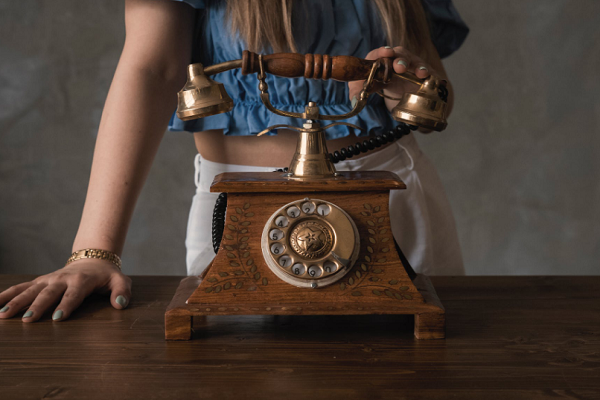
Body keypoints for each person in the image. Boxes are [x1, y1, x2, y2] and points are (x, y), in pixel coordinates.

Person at [0, 0, 468, 323]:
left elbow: (436, 99)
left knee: (417, 376)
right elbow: (153, 69)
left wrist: (402, 85)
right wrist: (94, 253)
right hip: (240, 202)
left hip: (388, 198)